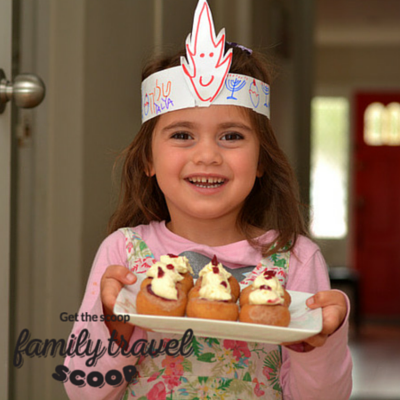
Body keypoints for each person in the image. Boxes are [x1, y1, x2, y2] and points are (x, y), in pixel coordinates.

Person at [63, 1, 352, 399]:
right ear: (149, 158)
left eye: (231, 136)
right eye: (182, 135)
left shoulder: (295, 261)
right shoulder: (124, 256)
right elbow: (82, 391)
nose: (207, 155)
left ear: (261, 160)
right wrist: (114, 324)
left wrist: (323, 340)